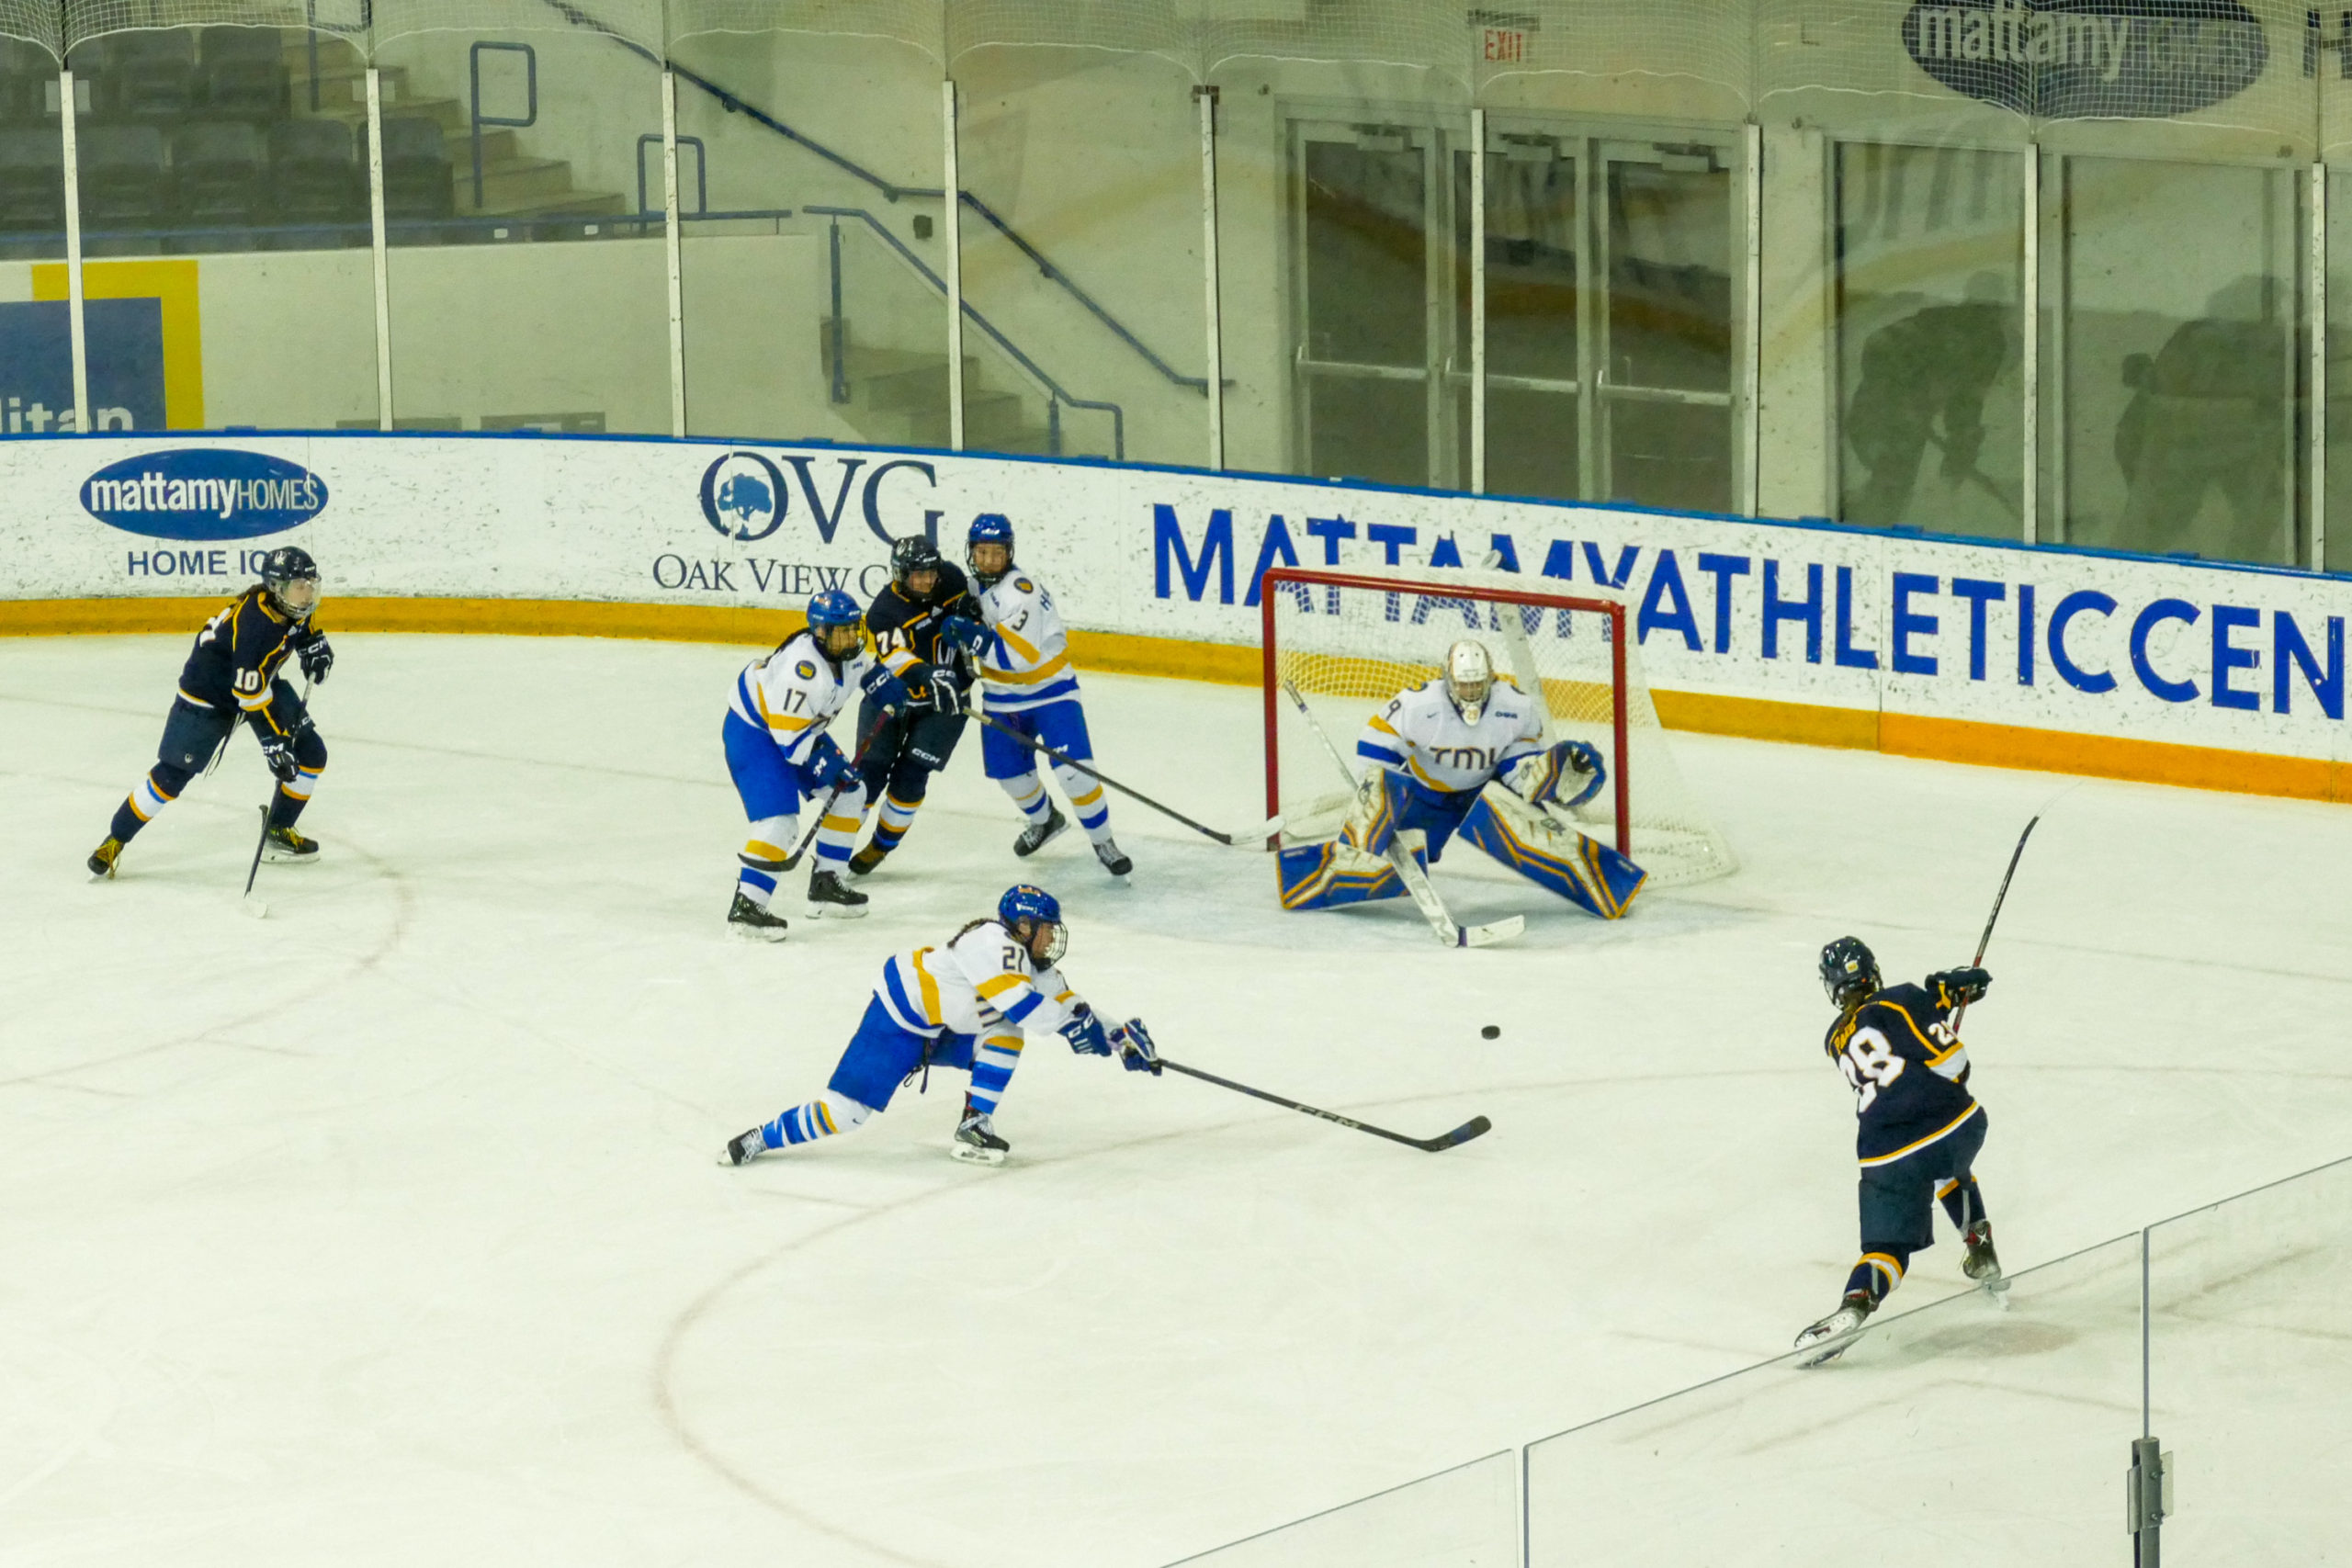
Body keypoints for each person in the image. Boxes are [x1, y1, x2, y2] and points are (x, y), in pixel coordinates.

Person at [721, 885, 1158, 1166]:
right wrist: (1072, 1028)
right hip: (898, 1020)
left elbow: (1068, 1003)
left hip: (943, 1024)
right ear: (1022, 927)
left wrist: (1118, 1038)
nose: (1050, 939)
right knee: (845, 1115)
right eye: (1044, 930)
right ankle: (761, 1137)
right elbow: (1026, 1007)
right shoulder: (992, 942)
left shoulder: (1029, 960)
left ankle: (974, 1125)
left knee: (1004, 1032)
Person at [1276, 638, 1645, 921]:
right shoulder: (1418, 705)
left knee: (1537, 839)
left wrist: (1555, 776)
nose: (1471, 692)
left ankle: (1607, 885)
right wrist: (1379, 796)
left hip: (1484, 793)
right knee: (1385, 860)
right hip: (1426, 796)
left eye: (1477, 684)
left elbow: (1519, 770)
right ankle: (1308, 878)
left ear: (1491, 678)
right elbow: (1375, 748)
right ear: (1447, 678)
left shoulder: (1515, 707)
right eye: (1463, 684)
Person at [1794, 938, 2003, 1359]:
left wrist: (1935, 999)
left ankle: (1854, 1307)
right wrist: (1938, 998)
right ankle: (1981, 1248)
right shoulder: (1903, 998)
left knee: (1886, 1250)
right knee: (1946, 1163)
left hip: (1887, 1154)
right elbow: (1952, 1062)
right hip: (1956, 1128)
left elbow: (1886, 1023)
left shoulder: (1835, 1039)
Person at [86, 546, 334, 879]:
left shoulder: (285, 607)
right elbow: (249, 697)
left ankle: (278, 828)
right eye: (297, 587)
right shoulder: (255, 628)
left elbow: (296, 629)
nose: (305, 596)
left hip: (256, 684)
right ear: (276, 589)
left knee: (312, 753)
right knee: (172, 776)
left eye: (309, 586)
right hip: (207, 698)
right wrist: (273, 744)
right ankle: (115, 840)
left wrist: (312, 644)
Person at [721, 588, 903, 937]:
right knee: (778, 822)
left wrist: (881, 682)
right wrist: (829, 766)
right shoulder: (801, 672)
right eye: (843, 630)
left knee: (851, 793)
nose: (852, 636)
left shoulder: (844, 651)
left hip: (800, 731)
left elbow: (863, 668)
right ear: (820, 633)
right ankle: (746, 909)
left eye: (854, 627)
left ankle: (826, 883)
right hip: (756, 734)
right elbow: (790, 745)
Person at [964, 513, 1130, 876]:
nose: (989, 560)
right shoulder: (971, 587)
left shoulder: (1020, 591)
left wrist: (969, 635)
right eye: (982, 552)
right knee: (1012, 778)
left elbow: (1017, 658)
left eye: (997, 552)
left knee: (1076, 775)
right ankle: (1046, 820)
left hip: (1051, 694)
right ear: (971, 553)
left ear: (1009, 552)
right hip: (1000, 699)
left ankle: (1103, 840)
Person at [845, 536, 989, 880]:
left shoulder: (952, 579)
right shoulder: (883, 611)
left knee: (911, 779)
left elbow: (983, 620)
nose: (927, 580)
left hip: (946, 704)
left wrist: (973, 623)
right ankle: (836, 844)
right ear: (900, 574)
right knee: (868, 776)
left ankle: (880, 846)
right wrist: (927, 673)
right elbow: (894, 658)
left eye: (931, 573)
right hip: (895, 698)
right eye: (917, 574)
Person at [1843, 276, 2011, 527]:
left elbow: (1966, 402)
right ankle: (1859, 523)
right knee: (1891, 475)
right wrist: (1901, 396)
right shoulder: (1936, 326)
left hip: (1905, 417)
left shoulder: (1989, 343)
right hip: (1879, 409)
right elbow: (1879, 345)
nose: (1987, 315)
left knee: (1894, 482)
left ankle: (1871, 523)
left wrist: (1962, 445)